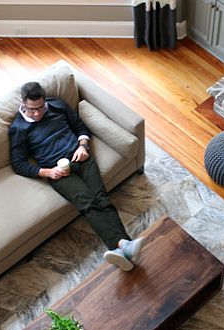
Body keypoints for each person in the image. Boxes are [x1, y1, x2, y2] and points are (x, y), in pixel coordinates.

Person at [8, 81, 143, 271]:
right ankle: (123, 245)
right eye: (32, 110)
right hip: (58, 171)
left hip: (82, 159)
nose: (37, 113)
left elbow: (80, 127)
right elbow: (18, 164)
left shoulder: (57, 105)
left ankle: (123, 249)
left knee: (102, 198)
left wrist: (83, 146)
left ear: (44, 101)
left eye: (40, 108)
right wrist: (48, 172)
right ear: (23, 103)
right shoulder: (18, 128)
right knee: (88, 203)